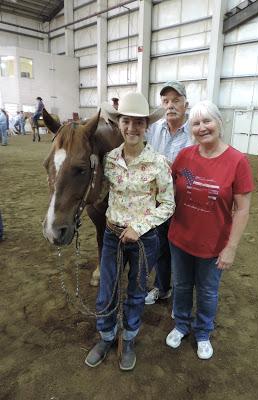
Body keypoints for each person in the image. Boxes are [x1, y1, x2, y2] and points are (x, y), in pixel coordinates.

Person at [85, 92, 175, 371]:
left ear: (146, 126)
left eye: (138, 123)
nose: (132, 128)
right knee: (107, 291)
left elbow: (168, 203)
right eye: (127, 121)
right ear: (119, 123)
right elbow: (100, 193)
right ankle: (107, 336)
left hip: (144, 239)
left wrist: (139, 226)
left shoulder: (158, 163)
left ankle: (130, 338)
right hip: (112, 235)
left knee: (136, 293)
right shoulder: (109, 159)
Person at [166, 100, 254, 360]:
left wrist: (231, 247)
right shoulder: (184, 157)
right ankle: (181, 324)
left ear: (219, 122)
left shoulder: (237, 161)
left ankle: (203, 331)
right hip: (180, 238)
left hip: (213, 244)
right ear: (191, 129)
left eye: (207, 121)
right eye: (196, 123)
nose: (202, 127)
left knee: (207, 291)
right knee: (181, 286)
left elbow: (243, 209)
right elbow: (174, 187)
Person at [144, 80, 192, 305]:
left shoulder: (195, 131)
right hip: (160, 201)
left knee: (184, 250)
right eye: (166, 101)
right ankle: (162, 288)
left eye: (176, 100)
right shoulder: (153, 129)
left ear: (185, 104)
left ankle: (183, 296)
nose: (170, 105)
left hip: (187, 200)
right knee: (162, 246)